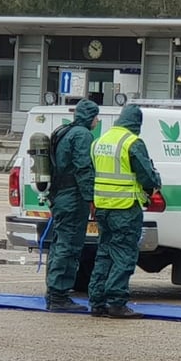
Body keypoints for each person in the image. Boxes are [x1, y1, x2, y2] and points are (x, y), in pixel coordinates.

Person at [89, 104, 161, 320]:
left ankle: (97, 301)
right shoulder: (132, 142)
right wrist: (155, 183)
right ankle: (116, 302)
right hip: (125, 208)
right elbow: (147, 176)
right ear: (136, 123)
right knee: (124, 255)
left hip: (102, 207)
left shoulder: (99, 141)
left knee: (104, 253)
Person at [44, 99, 99, 312]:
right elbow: (83, 169)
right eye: (95, 116)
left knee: (59, 244)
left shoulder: (65, 131)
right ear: (89, 117)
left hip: (60, 196)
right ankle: (59, 296)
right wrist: (90, 199)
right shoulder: (83, 136)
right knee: (69, 246)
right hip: (73, 198)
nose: (97, 120)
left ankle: (53, 294)